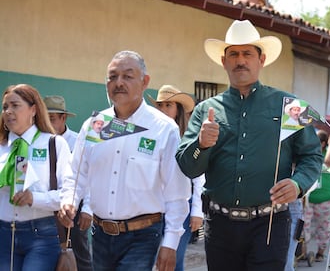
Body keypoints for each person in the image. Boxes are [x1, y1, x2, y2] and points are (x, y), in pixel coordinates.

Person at [175, 19, 323, 270]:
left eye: (247, 53)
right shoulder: (205, 110)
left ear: (261, 59)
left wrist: (298, 184)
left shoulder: (291, 105)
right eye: (233, 54)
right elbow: (188, 167)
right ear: (224, 61)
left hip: (270, 226)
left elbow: (313, 156)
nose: (240, 60)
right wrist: (201, 144)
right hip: (219, 227)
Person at [58, 50, 191, 271]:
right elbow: (77, 172)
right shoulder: (96, 125)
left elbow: (176, 191)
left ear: (145, 81)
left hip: (143, 237)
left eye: (127, 76)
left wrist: (171, 242)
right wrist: (68, 200)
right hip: (99, 236)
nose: (118, 83)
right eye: (112, 77)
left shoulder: (162, 128)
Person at [0, 84, 71, 270]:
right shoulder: (1, 147)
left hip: (41, 235)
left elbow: (68, 193)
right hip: (3, 234)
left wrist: (34, 198)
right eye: (5, 107)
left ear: (33, 109)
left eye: (15, 105)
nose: (8, 112)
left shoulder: (54, 144)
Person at [149, 84, 205, 271]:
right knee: (154, 262)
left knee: (174, 260)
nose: (163, 110)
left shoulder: (188, 139)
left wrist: (197, 211)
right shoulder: (150, 135)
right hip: (152, 207)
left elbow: (198, 177)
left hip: (181, 206)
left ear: (178, 109)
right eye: (160, 105)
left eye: (168, 105)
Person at [43, 95, 93, 271]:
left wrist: (87, 208)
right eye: (44, 118)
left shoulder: (78, 140)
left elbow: (88, 177)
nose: (47, 124)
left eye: (52, 119)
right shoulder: (40, 142)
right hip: (47, 205)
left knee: (79, 257)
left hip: (74, 208)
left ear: (63, 118)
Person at [302, 129, 330, 262]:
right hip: (308, 199)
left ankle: (320, 253)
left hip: (325, 200)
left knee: (323, 227)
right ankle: (302, 252)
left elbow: (329, 163)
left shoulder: (329, 153)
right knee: (303, 226)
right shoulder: (308, 153)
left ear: (323, 143)